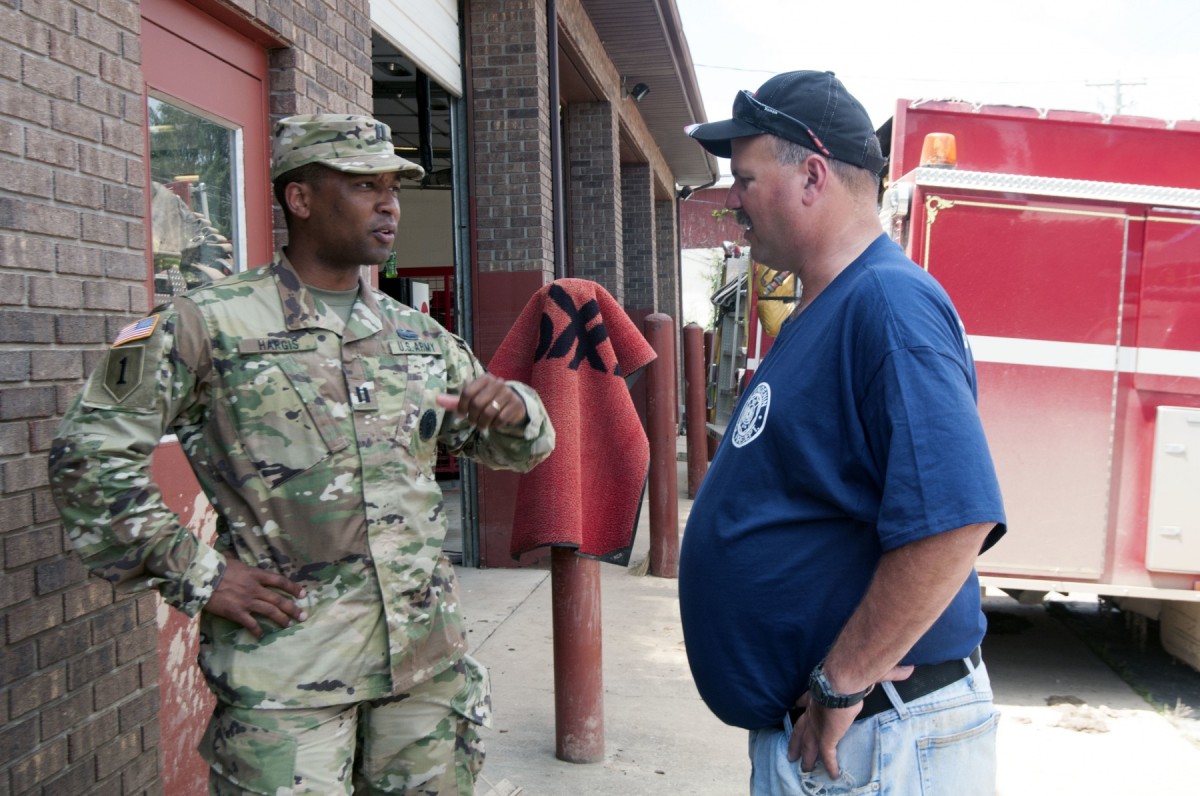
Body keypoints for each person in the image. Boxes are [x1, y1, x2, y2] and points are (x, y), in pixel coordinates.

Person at [49, 114, 555, 795]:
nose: (388, 204)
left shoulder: (414, 336)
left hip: (425, 671)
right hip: (289, 682)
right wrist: (200, 574)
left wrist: (518, 408)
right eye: (363, 184)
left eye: (393, 187)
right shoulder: (211, 322)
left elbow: (504, 445)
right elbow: (86, 458)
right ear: (301, 198)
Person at [678, 71, 1007, 795]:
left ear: (812, 176)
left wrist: (840, 681)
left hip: (876, 738)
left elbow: (957, 520)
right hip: (847, 745)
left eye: (744, 178)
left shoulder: (888, 304)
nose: (731, 200)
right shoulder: (824, 310)